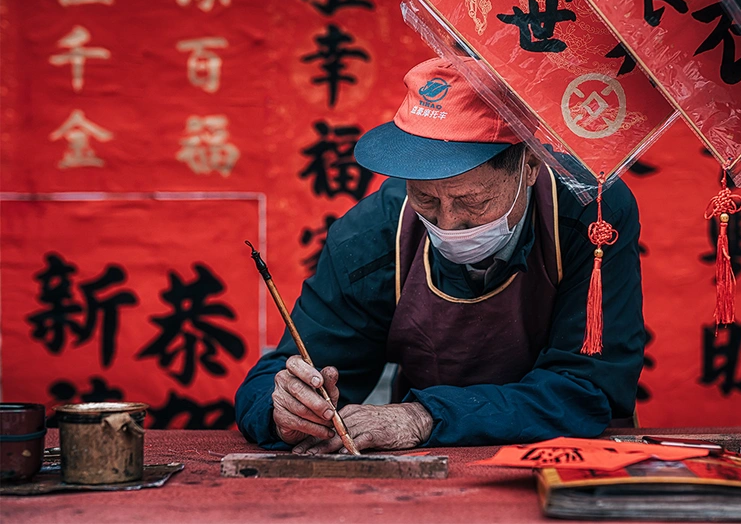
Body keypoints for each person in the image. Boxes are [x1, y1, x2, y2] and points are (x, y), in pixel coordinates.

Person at [235, 57, 645, 454]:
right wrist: (283, 408)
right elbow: (275, 376)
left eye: (472, 201)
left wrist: (424, 417)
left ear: (531, 163)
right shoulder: (373, 233)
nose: (448, 223)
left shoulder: (592, 216)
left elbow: (590, 388)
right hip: (429, 469)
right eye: (426, 199)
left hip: (566, 459)